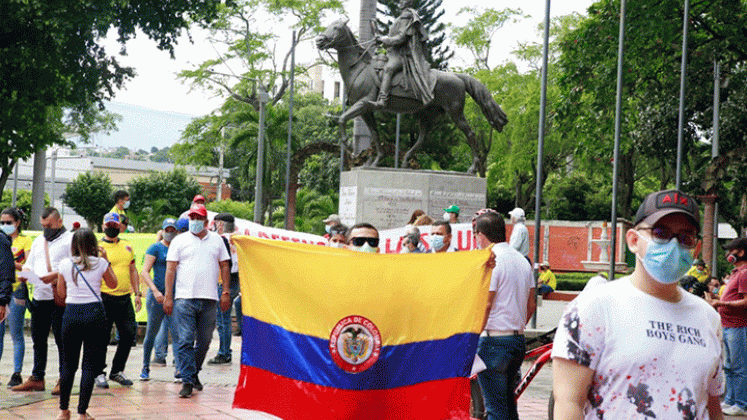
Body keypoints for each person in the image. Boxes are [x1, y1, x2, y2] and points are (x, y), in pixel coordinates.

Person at [552, 189, 723, 420]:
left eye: (686, 237)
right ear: (633, 240)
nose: (673, 245)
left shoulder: (708, 318)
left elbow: (711, 404)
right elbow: (568, 403)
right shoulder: (593, 308)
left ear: (696, 247)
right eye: (661, 233)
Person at [163, 204, 231, 398]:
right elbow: (170, 269)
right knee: (184, 340)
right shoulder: (179, 241)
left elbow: (224, 266)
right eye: (192, 218)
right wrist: (169, 296)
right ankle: (186, 380)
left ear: (206, 222)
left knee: (204, 341)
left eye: (198, 218)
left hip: (209, 298)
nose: (194, 221)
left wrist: (225, 291)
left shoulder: (217, 240)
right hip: (184, 299)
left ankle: (193, 373)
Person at [473, 211, 535, 420]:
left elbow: (487, 303)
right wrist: (516, 325)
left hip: (493, 342)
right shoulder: (523, 261)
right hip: (517, 340)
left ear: (481, 235)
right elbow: (532, 303)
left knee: (495, 409)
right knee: (509, 405)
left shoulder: (491, 261)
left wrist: (474, 333)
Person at [56, 228, 118, 420]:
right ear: (93, 244)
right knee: (89, 365)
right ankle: (82, 412)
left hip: (72, 313)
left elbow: (61, 293)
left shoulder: (65, 264)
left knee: (68, 364)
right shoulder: (100, 263)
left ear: (73, 244)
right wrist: (106, 260)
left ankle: (63, 410)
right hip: (94, 314)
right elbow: (113, 284)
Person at [14, 207, 72, 394]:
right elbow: (29, 265)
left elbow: (77, 266)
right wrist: (25, 274)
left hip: (59, 298)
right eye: (43, 225)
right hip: (39, 296)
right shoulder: (39, 240)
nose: (46, 229)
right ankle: (37, 377)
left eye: (49, 225)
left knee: (62, 341)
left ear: (59, 222)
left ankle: (64, 379)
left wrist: (55, 276)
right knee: (38, 339)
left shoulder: (70, 240)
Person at [95, 212, 141, 389]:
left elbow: (132, 270)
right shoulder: (97, 247)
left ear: (120, 226)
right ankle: (98, 372)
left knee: (129, 334)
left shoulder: (127, 246)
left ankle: (117, 371)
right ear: (103, 226)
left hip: (124, 297)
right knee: (101, 338)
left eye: (115, 225)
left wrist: (137, 293)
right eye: (109, 225)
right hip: (104, 297)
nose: (111, 228)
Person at [707, 237, 747, 416]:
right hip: (728, 324)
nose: (728, 254)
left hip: (738, 326)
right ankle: (730, 400)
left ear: (741, 252)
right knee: (729, 366)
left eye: (731, 250)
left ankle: (741, 403)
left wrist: (722, 304)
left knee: (739, 367)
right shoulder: (736, 272)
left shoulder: (745, 273)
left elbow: (746, 302)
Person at [139, 218, 180, 381]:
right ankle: (145, 366)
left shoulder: (178, 248)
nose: (170, 232)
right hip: (157, 296)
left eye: (172, 230)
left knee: (177, 333)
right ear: (162, 230)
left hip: (175, 295)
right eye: (167, 229)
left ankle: (179, 368)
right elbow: (145, 271)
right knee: (151, 332)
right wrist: (155, 291)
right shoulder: (155, 248)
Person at [370, 0, 432, 108]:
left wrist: (385, 40)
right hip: (393, 53)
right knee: (375, 63)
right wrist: (382, 39)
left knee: (389, 68)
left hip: (401, 55)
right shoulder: (404, 16)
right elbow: (395, 36)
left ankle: (383, 100)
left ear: (408, 2)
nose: (400, 2)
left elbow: (401, 38)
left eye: (403, 0)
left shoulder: (406, 16)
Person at [1, 207, 33, 387]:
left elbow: (28, 267)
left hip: (17, 290)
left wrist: (9, 262)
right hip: (0, 290)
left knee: (16, 333)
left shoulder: (25, 240)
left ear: (17, 222)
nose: (5, 226)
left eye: (8, 222)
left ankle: (17, 372)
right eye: (2, 222)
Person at [207, 213, 240, 365]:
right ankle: (226, 351)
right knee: (224, 319)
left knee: (222, 320)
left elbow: (223, 262)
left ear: (220, 224)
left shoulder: (222, 239)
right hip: (237, 280)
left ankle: (224, 353)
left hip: (225, 282)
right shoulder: (237, 237)